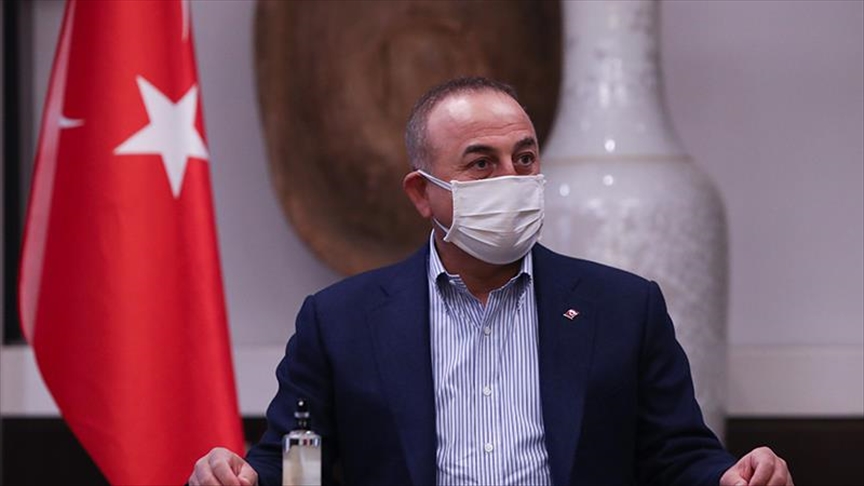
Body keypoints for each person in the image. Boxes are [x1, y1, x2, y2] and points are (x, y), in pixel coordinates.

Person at [189, 77, 792, 486]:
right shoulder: (340, 321)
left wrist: (731, 476)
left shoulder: (624, 307)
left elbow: (677, 454)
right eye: (482, 163)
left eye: (524, 158)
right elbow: (300, 465)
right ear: (422, 193)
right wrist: (241, 477)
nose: (513, 179)